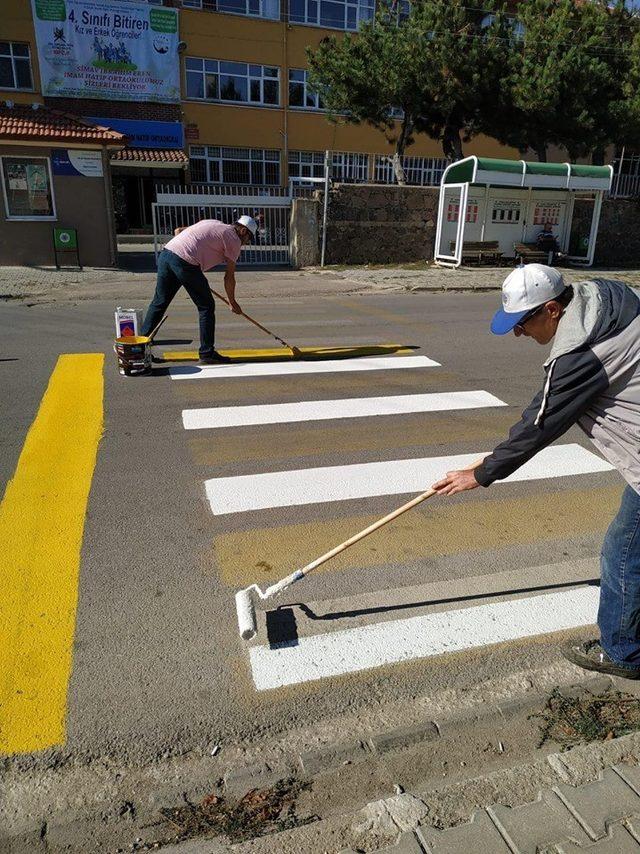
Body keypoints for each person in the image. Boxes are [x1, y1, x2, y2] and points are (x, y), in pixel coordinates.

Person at [432, 263, 640, 679]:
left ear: (551, 309)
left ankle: (622, 652)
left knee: (623, 552)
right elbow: (544, 409)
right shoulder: (609, 298)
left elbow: (539, 423)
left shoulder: (581, 357)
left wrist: (481, 474)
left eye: (522, 322)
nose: (517, 333)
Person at [141, 215, 257, 365]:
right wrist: (232, 302)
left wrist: (189, 266)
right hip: (185, 262)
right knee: (206, 306)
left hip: (167, 254)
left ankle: (140, 349)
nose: (246, 243)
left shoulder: (214, 223)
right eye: (249, 238)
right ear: (243, 231)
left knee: (159, 302)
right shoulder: (234, 239)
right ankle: (207, 352)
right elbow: (229, 276)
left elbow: (179, 231)